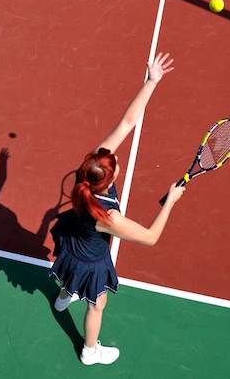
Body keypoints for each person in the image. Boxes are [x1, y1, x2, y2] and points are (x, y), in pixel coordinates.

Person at [50, 52, 186, 366]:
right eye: (117, 164)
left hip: (73, 241)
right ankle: (89, 351)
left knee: (68, 272)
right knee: (97, 306)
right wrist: (171, 201)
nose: (118, 159)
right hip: (92, 260)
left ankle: (63, 297)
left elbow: (127, 122)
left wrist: (151, 82)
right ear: (109, 179)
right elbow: (150, 237)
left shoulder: (88, 169)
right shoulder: (107, 217)